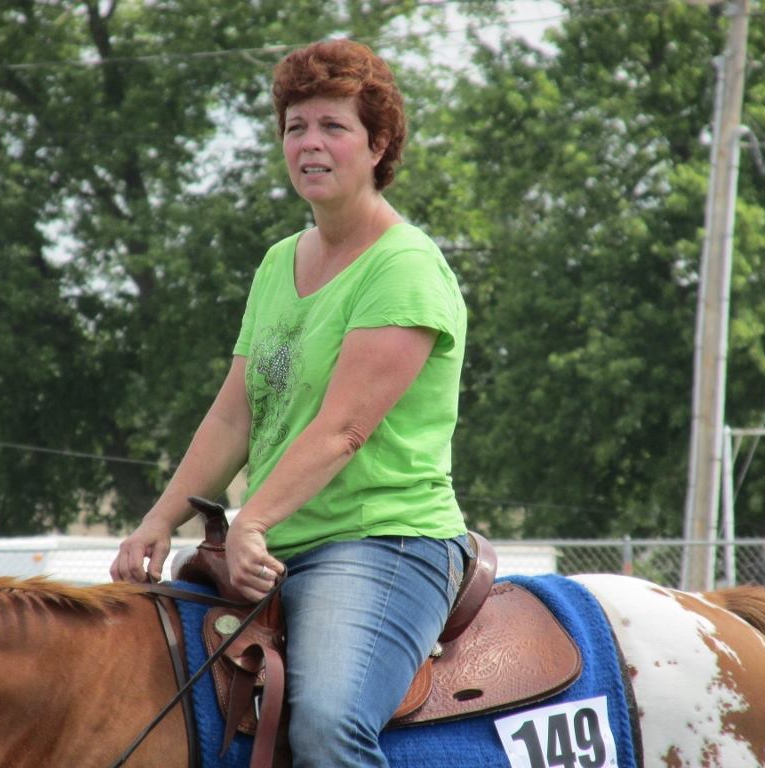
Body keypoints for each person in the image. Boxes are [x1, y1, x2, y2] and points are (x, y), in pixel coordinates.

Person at [111, 38, 469, 768]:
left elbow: (343, 430)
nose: (310, 143)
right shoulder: (281, 261)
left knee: (327, 727)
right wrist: (159, 520)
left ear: (378, 144)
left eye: (333, 126)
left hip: (385, 543)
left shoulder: (404, 266)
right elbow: (233, 416)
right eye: (295, 126)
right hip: (274, 546)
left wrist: (252, 521)